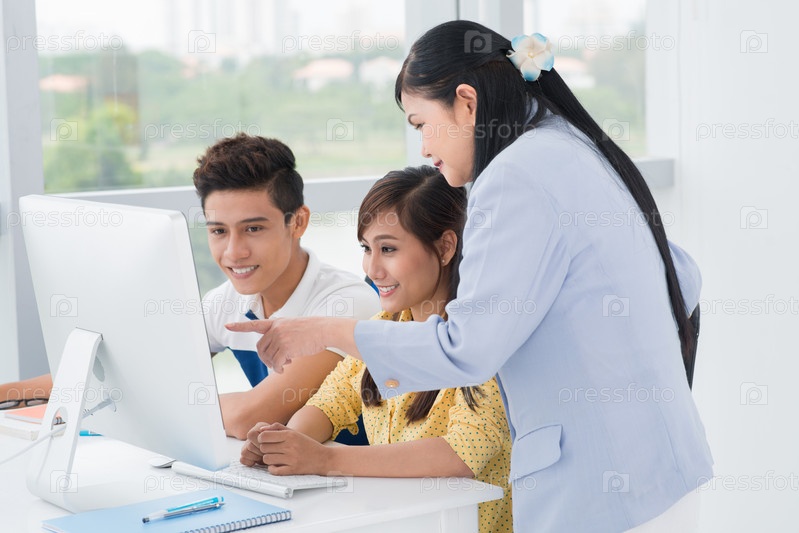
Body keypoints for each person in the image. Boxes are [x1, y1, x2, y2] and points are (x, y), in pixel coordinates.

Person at [227, 21, 713, 532]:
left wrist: (324, 331)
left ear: (466, 102)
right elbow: (682, 276)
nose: (423, 147)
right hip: (661, 467)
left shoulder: (512, 176)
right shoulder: (572, 144)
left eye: (420, 123)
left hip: (602, 492)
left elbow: (466, 351)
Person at [2, 134, 380, 442]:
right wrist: (8, 393)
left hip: (366, 489)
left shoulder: (346, 304)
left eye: (253, 228)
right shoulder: (225, 302)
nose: (233, 252)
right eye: (218, 231)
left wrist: (142, 400)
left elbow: (250, 415)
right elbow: (121, 372)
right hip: (287, 477)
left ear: (298, 222)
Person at [241, 166, 512, 533]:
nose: (372, 269)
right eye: (366, 249)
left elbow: (461, 454)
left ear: (446, 247)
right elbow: (330, 403)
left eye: (388, 249)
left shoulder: (486, 339)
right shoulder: (385, 326)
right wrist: (283, 443)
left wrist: (325, 459)